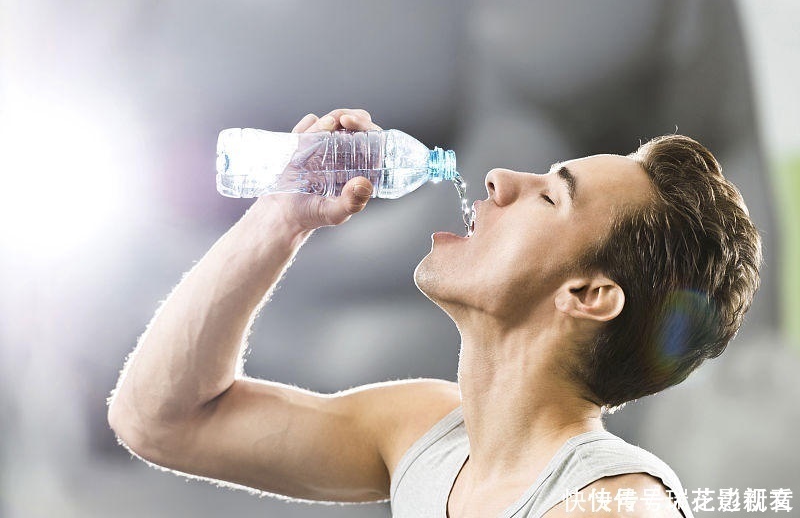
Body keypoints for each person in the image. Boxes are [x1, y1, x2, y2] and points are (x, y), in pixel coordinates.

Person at [107, 108, 761, 517]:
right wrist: (280, 218)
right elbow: (160, 420)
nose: (501, 179)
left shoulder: (616, 507)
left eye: (549, 199)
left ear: (589, 295)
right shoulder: (424, 434)